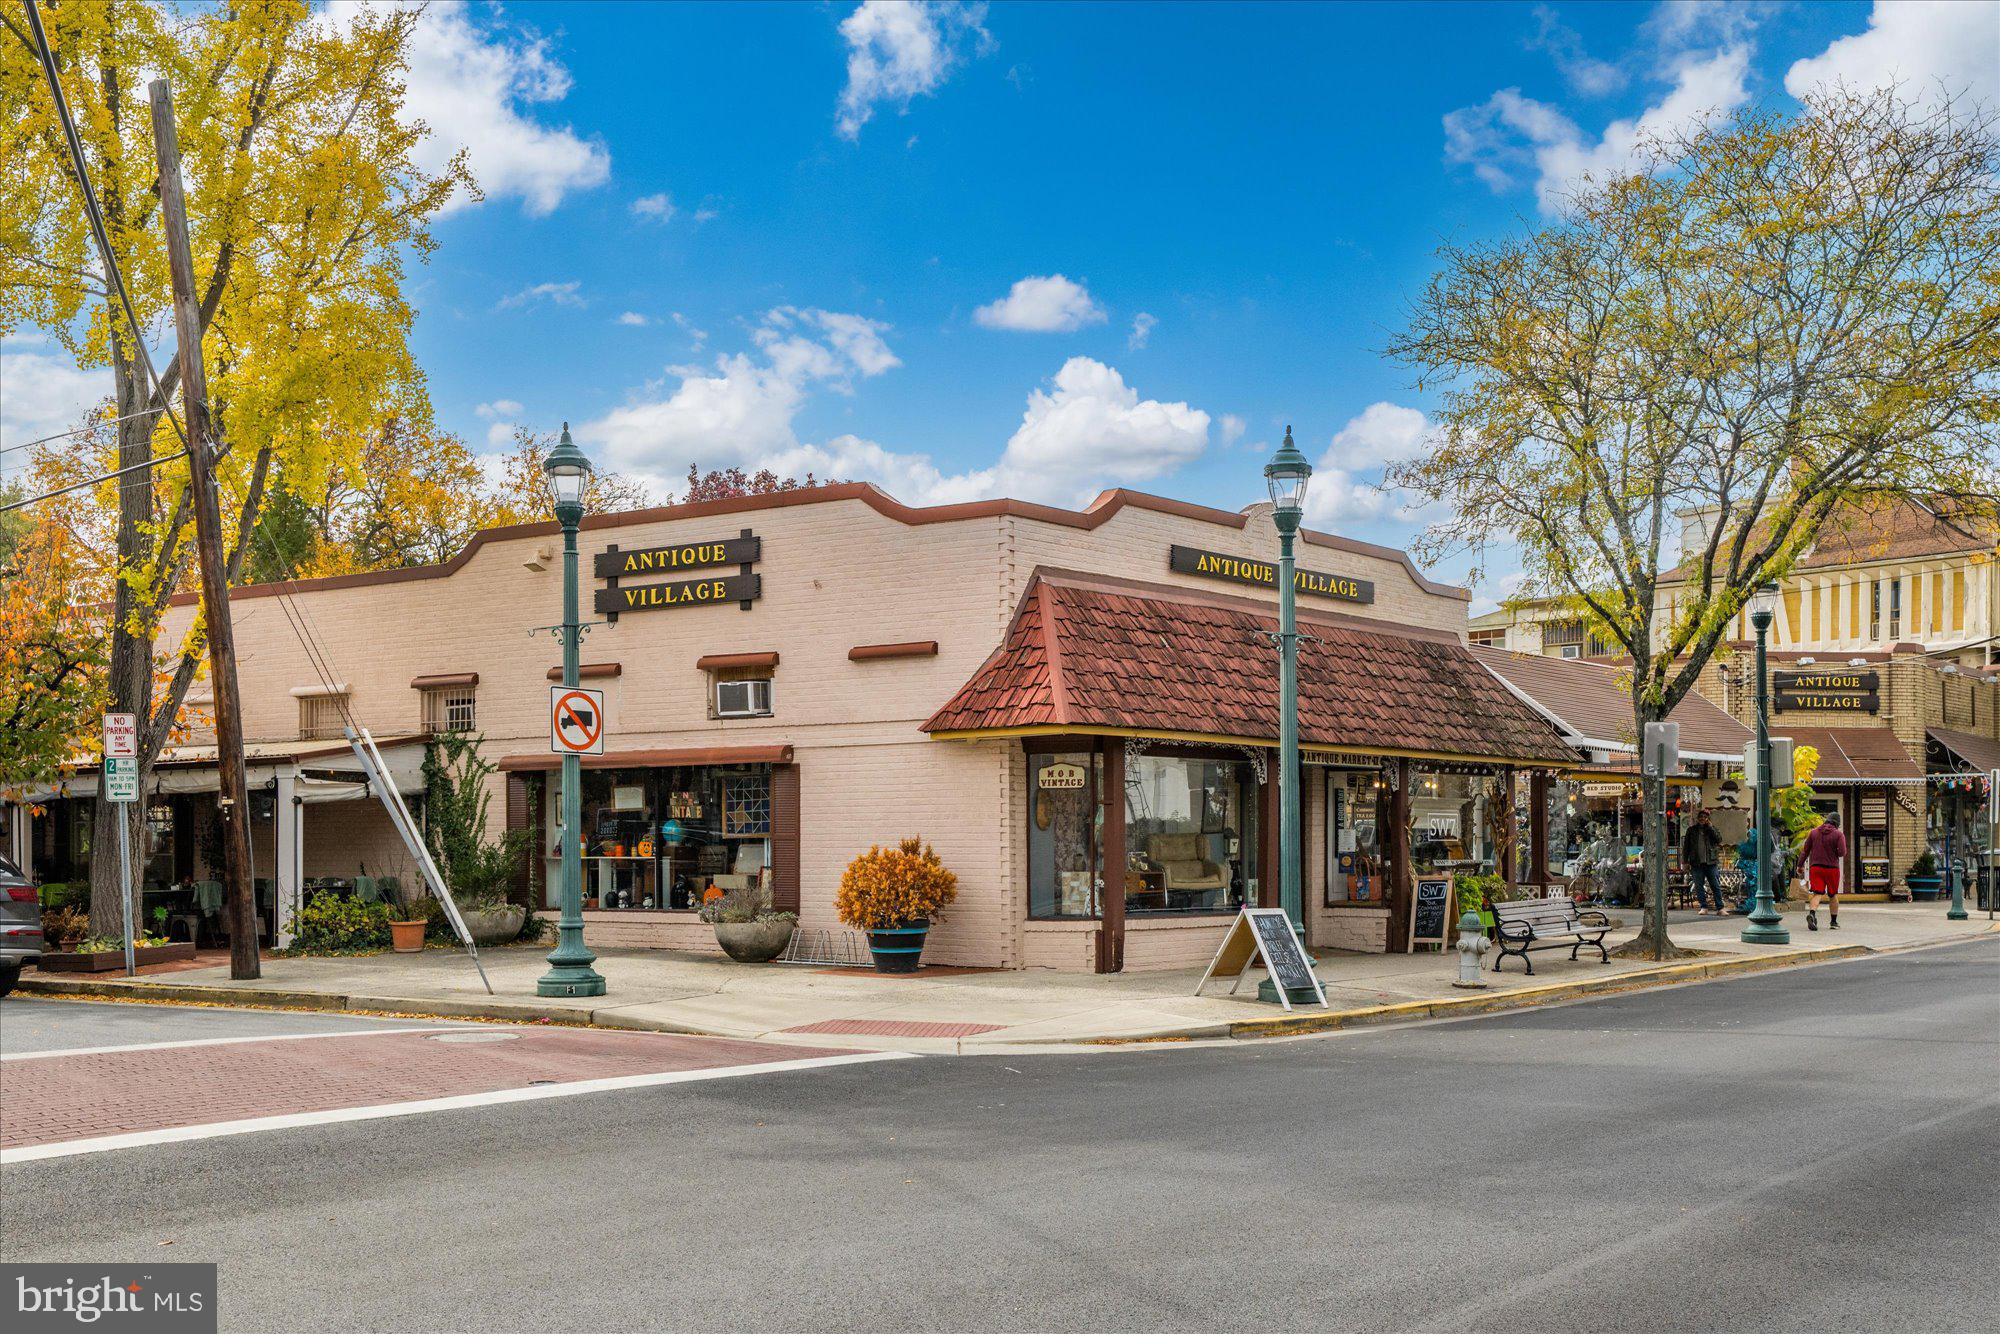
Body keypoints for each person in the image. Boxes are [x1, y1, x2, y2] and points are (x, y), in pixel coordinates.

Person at [1801, 811, 1848, 931]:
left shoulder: (1814, 832)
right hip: (1832, 869)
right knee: (1832, 895)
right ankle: (1833, 922)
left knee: (1817, 893)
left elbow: (1805, 851)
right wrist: (1835, 852)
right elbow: (1842, 852)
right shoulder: (1838, 834)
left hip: (1816, 868)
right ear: (1837, 823)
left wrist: (1799, 865)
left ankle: (1812, 914)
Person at [1682, 809, 1724, 916]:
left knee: (1715, 885)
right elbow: (1686, 847)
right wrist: (1684, 862)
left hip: (1711, 862)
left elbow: (1719, 840)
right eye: (1701, 816)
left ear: (1708, 819)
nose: (1702, 818)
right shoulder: (1691, 830)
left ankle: (1720, 908)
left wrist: (1710, 827)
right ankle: (1703, 906)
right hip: (1696, 863)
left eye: (1705, 817)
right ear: (1698, 818)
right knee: (1699, 885)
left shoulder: (1712, 829)